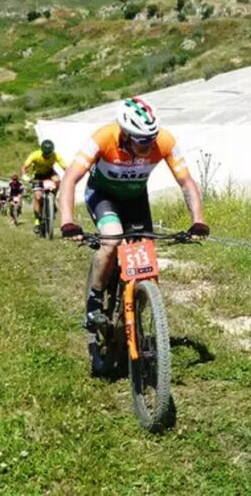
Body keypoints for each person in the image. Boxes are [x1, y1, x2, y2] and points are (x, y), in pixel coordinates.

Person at [58, 96, 209, 329]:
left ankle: (135, 316)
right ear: (125, 134)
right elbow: (70, 178)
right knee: (112, 241)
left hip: (136, 199)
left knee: (146, 261)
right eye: (141, 141)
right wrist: (67, 222)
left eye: (152, 139)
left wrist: (198, 221)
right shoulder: (103, 137)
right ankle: (94, 302)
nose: (148, 146)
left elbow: (186, 182)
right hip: (103, 197)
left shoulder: (165, 141)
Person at [21, 139, 67, 234]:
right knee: (38, 197)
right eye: (45, 154)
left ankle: (52, 199)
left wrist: (70, 176)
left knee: (58, 180)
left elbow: (65, 167)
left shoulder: (55, 155)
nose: (47, 156)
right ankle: (37, 221)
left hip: (49, 173)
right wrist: (25, 175)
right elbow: (24, 167)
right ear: (42, 151)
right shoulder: (35, 155)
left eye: (49, 154)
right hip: (37, 175)